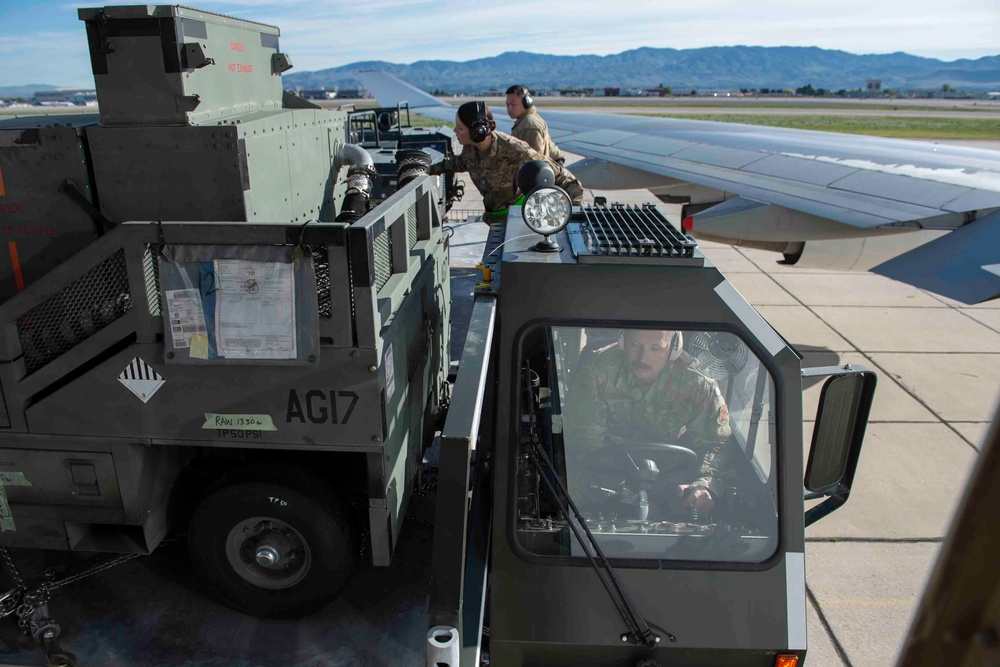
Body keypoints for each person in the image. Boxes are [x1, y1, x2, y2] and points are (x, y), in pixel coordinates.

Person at [564, 328, 733, 513]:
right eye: (635, 345)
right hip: (604, 476)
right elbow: (584, 449)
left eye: (655, 348)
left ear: (673, 348)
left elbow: (717, 442)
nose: (642, 358)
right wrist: (628, 499)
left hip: (668, 480)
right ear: (622, 341)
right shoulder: (596, 372)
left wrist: (704, 485)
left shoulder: (696, 381)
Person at [429, 100, 583, 223]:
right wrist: (427, 168)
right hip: (494, 219)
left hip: (519, 222)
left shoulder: (516, 151)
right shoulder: (471, 149)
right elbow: (459, 163)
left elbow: (565, 178)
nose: (455, 131)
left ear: (477, 132)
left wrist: (575, 219)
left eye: (460, 128)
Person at [505, 85, 565, 164]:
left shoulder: (529, 126)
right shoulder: (529, 121)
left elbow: (534, 162)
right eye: (507, 105)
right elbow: (553, 151)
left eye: (513, 105)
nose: (509, 109)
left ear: (526, 102)